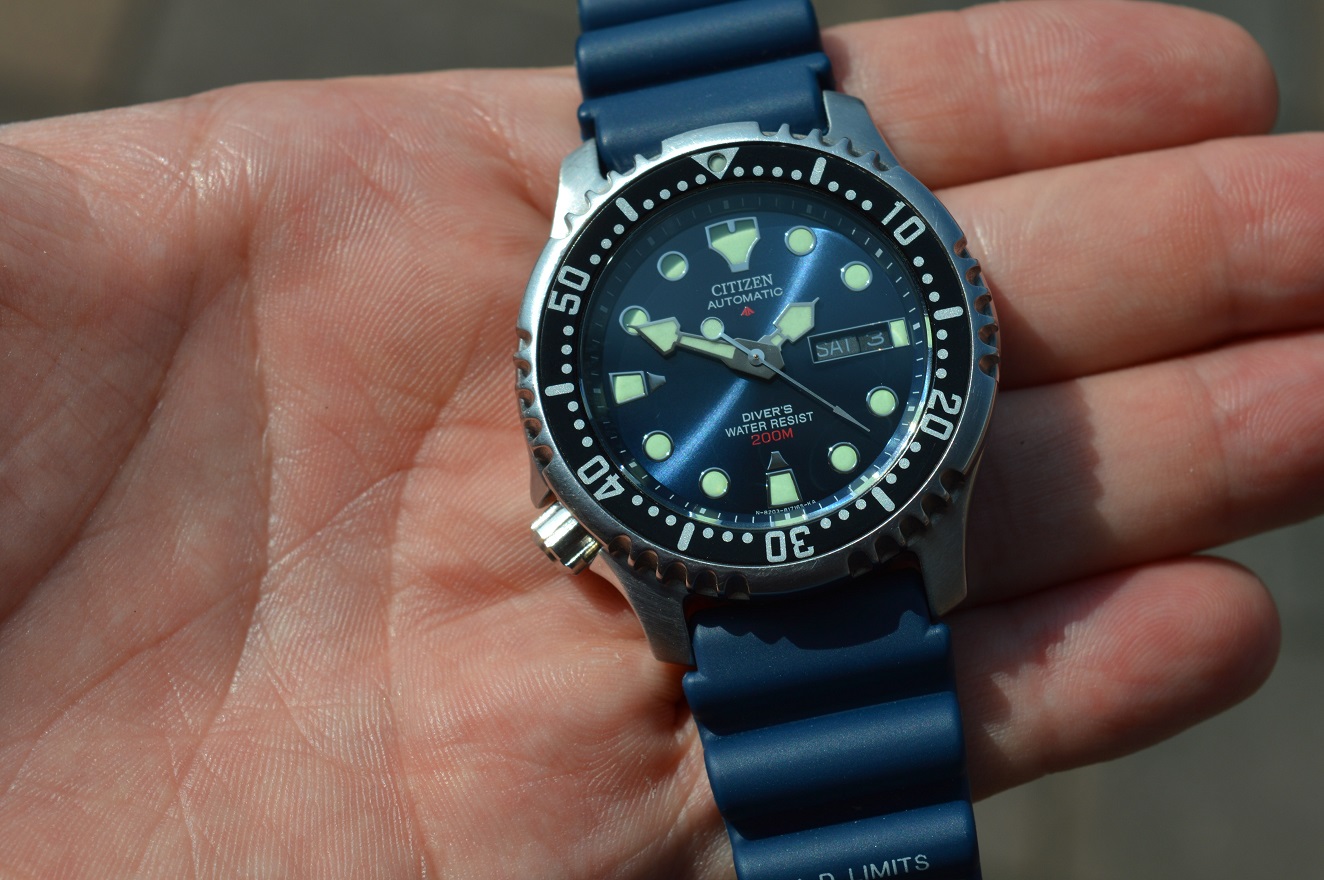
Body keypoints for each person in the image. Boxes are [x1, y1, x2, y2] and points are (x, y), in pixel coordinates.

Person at [0, 0, 1317, 875]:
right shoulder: (625, 245)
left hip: (870, 518)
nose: (756, 361)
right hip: (769, 536)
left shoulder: (806, 198)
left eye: (764, 348)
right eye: (730, 353)